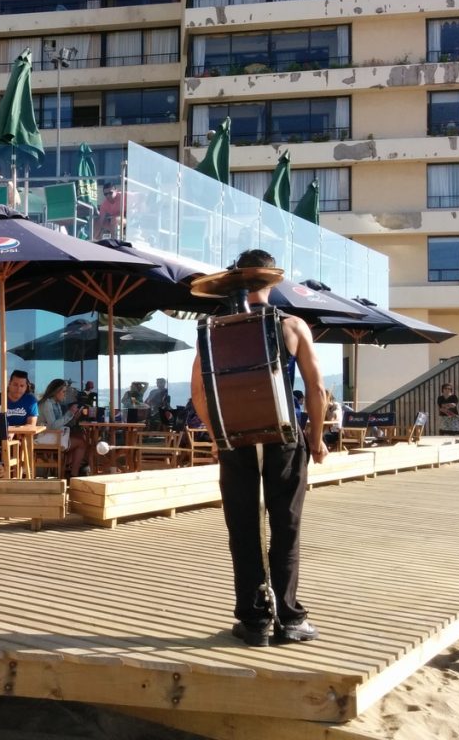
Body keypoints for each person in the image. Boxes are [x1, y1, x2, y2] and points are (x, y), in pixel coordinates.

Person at [189, 248, 327, 647]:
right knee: (285, 525)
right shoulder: (292, 325)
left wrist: (219, 437)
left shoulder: (213, 329)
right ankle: (289, 617)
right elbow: (316, 388)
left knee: (243, 528)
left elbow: (200, 391)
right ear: (272, 280)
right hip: (283, 435)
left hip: (236, 438)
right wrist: (316, 439)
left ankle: (253, 622)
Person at [38, 378, 87, 477]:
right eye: (63, 392)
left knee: (81, 436)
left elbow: (60, 423)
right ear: (56, 391)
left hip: (53, 435)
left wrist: (74, 416)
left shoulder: (56, 403)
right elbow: (53, 425)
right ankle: (73, 474)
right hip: (46, 437)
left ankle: (67, 470)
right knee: (81, 443)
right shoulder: (47, 404)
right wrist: (70, 413)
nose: (65, 394)